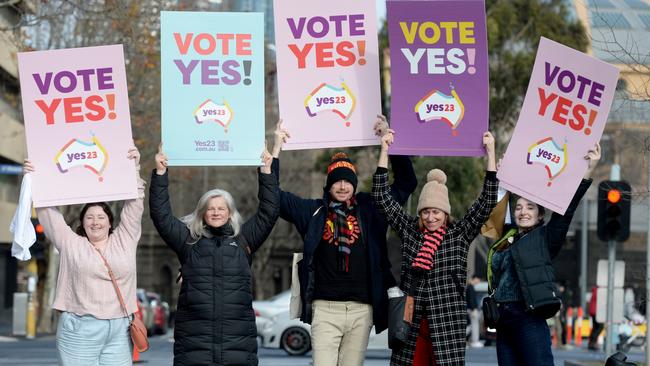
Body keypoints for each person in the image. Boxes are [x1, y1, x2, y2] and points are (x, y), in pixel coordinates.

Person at [271, 116, 417, 366]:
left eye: (347, 181)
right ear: (328, 185)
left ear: (354, 184)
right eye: (336, 181)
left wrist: (390, 144)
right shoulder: (313, 211)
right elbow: (274, 197)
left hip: (362, 309)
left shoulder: (372, 207)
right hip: (325, 309)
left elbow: (406, 183)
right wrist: (275, 150)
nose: (342, 186)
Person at [372, 129, 498, 366]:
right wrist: (384, 150)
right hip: (411, 324)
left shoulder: (459, 234)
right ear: (420, 213)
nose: (431, 217)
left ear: (445, 213)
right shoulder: (410, 230)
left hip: (447, 324)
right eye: (426, 212)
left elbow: (487, 200)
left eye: (436, 212)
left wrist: (490, 152)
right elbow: (381, 197)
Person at [149, 143, 278, 365]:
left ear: (230, 213)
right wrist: (161, 174)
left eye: (221, 208)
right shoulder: (188, 240)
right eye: (211, 208)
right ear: (202, 212)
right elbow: (161, 215)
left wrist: (266, 172)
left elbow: (269, 212)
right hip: (194, 346)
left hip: (237, 346)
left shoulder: (244, 239)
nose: (216, 212)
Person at [24, 146, 144, 366]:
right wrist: (36, 179)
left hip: (120, 329)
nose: (95, 222)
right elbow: (49, 213)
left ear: (110, 222)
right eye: (89, 217)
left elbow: (134, 206)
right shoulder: (71, 243)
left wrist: (133, 169)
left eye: (101, 217)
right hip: (80, 328)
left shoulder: (125, 239)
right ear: (82, 223)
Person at [487, 144, 600, 366]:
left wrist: (589, 170)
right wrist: (500, 174)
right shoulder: (505, 238)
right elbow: (497, 205)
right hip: (503, 321)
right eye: (519, 207)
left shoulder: (545, 238)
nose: (523, 212)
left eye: (530, 208)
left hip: (529, 319)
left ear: (540, 216)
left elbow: (566, 210)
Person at [467, 274, 483, 348]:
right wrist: (474, 309)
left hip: (470, 309)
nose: (479, 282)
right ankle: (475, 341)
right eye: (479, 280)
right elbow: (471, 299)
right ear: (475, 278)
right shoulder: (470, 287)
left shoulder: (469, 286)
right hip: (472, 309)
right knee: (474, 326)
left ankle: (473, 341)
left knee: (470, 326)